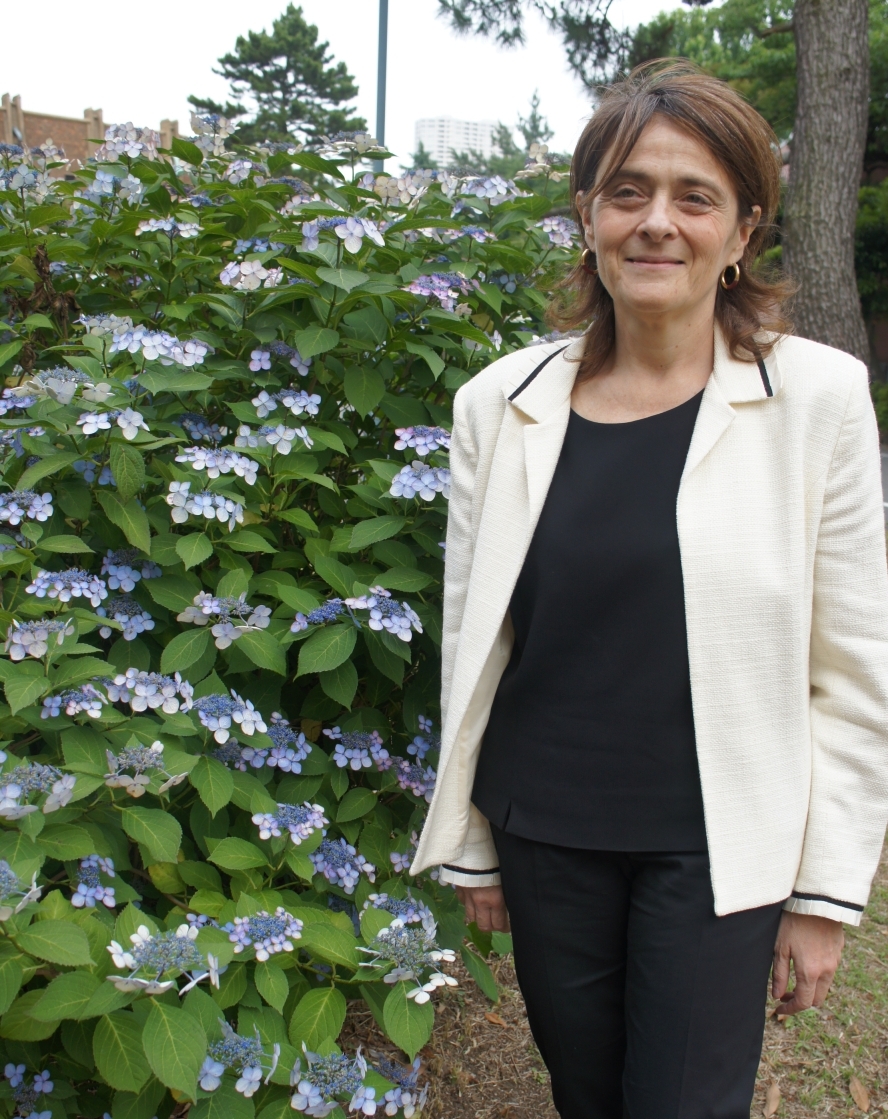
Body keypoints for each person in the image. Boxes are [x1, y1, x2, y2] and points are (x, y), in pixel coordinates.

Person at [409, 61, 888, 1119]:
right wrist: (477, 838)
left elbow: (854, 670)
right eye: (627, 191)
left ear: (746, 229)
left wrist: (824, 894)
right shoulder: (501, 405)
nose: (656, 222)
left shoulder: (817, 402)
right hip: (549, 836)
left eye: (694, 196)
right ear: (587, 214)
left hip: (719, 847)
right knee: (589, 1097)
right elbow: (476, 637)